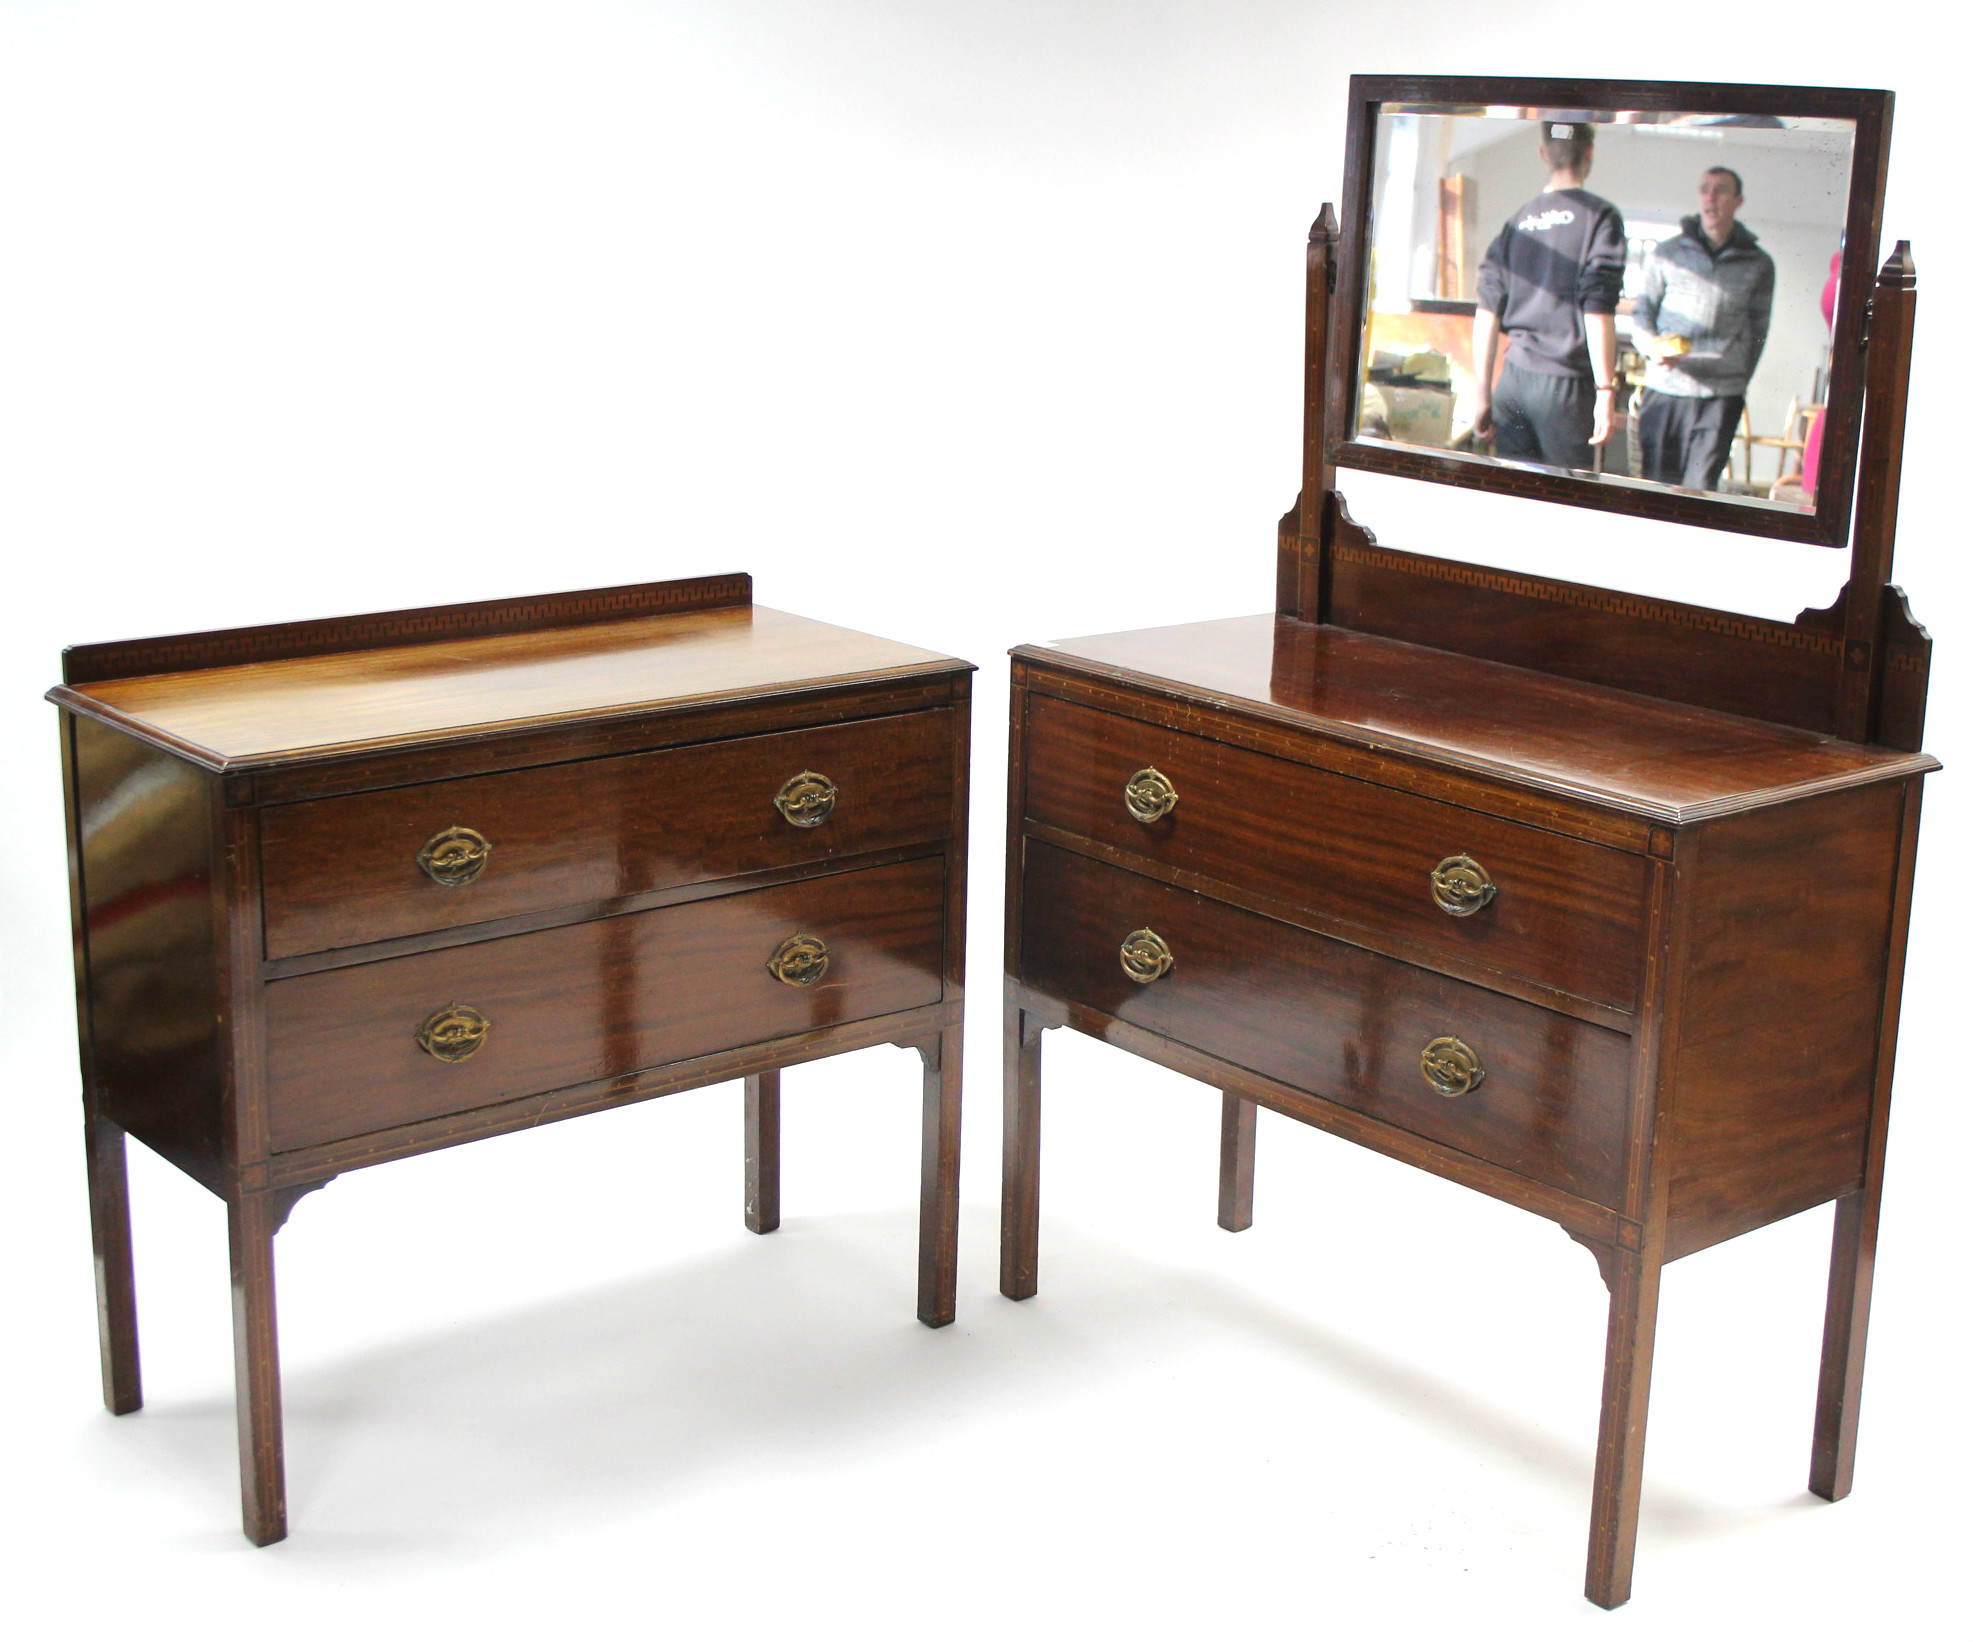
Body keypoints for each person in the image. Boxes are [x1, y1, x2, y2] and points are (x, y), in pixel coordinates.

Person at [1471, 120, 1626, 471]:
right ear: (1589, 153)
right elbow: (1598, 307)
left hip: (1514, 382)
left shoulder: (1516, 223)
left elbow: (1487, 311)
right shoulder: (1600, 217)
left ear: (1543, 154)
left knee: (1514, 492)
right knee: (1568, 499)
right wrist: (1606, 391)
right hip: (1566, 389)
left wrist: (1483, 391)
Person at [1630, 167, 1777, 491]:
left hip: (1720, 398)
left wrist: (1737, 376)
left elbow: (1758, 330)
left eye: (1721, 190)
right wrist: (1652, 349)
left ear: (1738, 201)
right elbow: (1642, 314)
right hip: (1665, 391)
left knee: (1698, 491)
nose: (1711, 197)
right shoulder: (1667, 254)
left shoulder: (1759, 263)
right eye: (1705, 189)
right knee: (1655, 490)